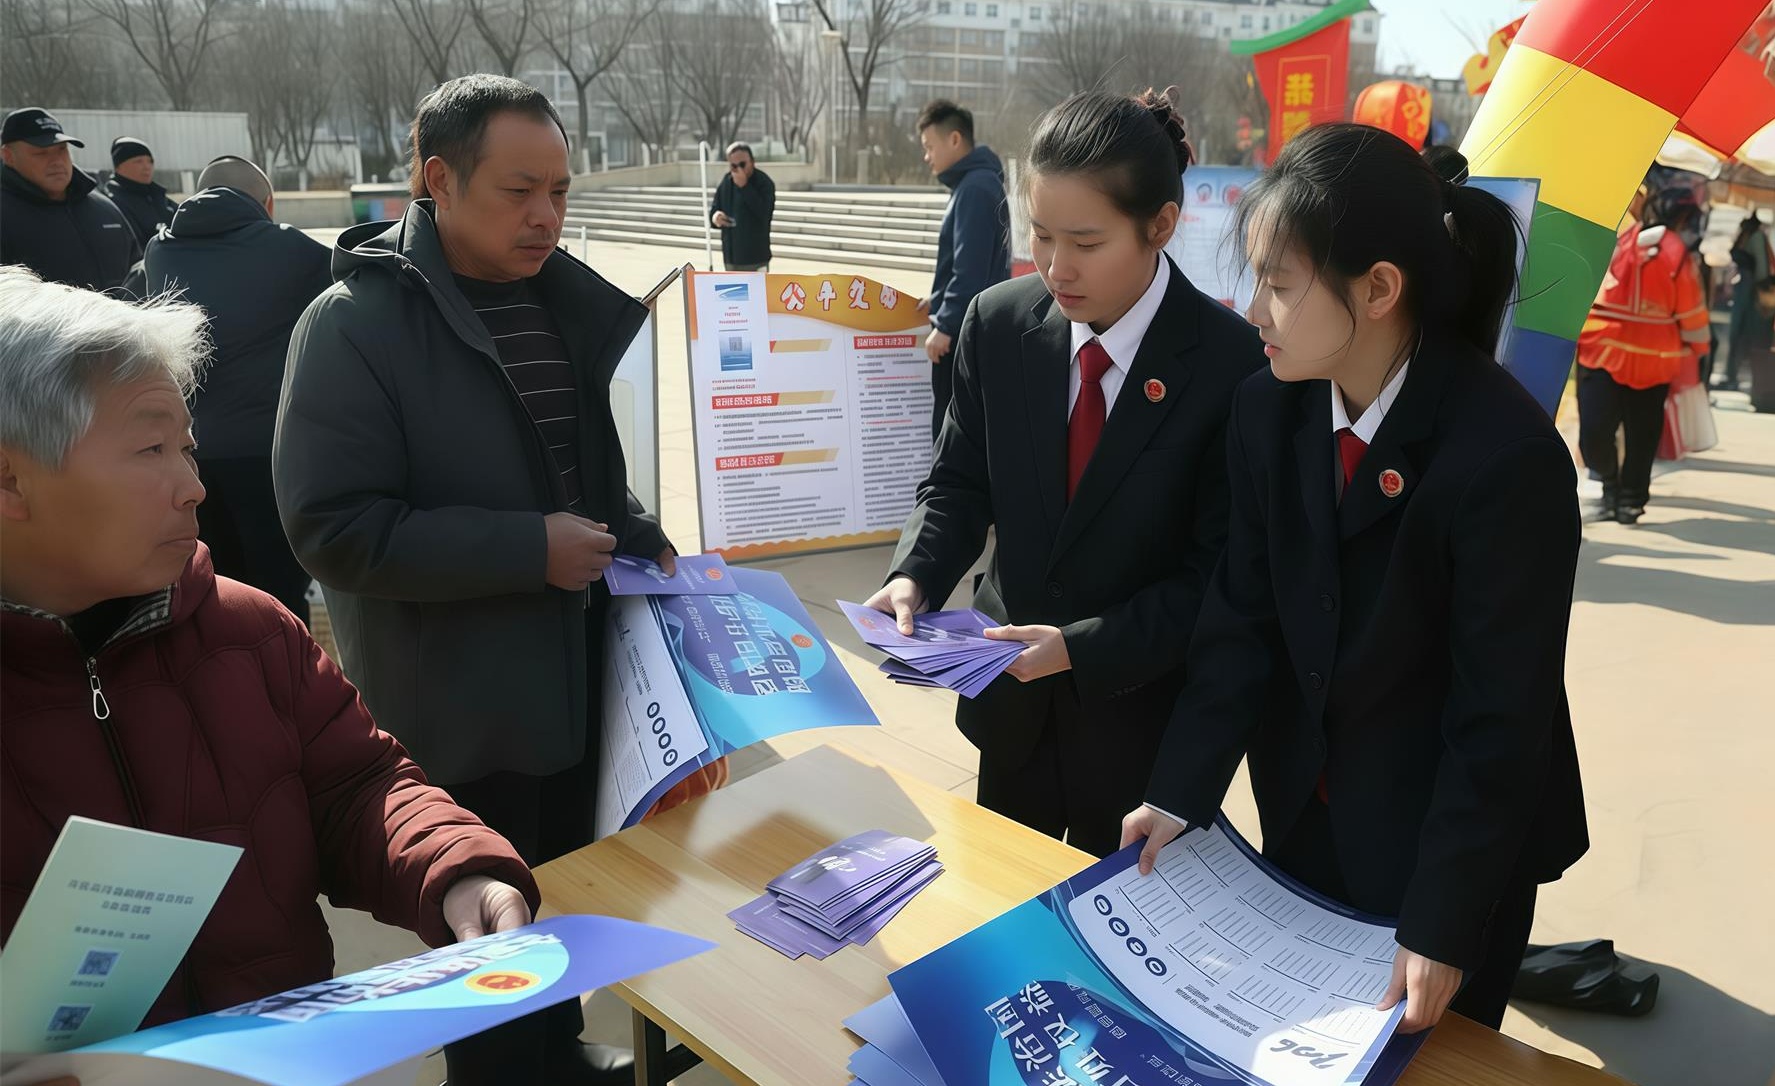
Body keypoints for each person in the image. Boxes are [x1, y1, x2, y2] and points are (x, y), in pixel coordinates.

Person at [1120, 124, 1588, 1037]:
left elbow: (1499, 717)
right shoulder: (1268, 406)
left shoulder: (1506, 459)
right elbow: (1242, 617)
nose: (1251, 310)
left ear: (1378, 289)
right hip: (1307, 811)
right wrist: (1178, 789)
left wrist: (1443, 919)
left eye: (1279, 284)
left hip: (1450, 847)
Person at [0, 265, 538, 1035]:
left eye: (186, 448)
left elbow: (357, 785)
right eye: (151, 449)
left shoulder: (248, 632)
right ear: (10, 479)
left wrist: (455, 869)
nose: (193, 486)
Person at [275, 73, 673, 1084]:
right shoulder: (350, 327)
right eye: (518, 190)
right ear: (435, 179)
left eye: (561, 192)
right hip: (458, 702)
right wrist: (525, 550)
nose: (546, 216)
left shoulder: (554, 304)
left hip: (579, 681)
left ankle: (562, 1053)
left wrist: (633, 530)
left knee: (563, 907)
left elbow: (575, 471)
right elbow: (334, 529)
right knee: (485, 931)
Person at [866, 90, 1266, 858]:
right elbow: (957, 482)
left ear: (1159, 227)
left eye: (1085, 242)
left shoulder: (1229, 367)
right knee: (1000, 913)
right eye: (1041, 236)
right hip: (1008, 711)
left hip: (1135, 725)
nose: (1055, 268)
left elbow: (1216, 577)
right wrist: (915, 573)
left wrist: (1080, 647)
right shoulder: (998, 324)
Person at [144, 155, 332, 624]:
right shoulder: (291, 249)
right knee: (279, 593)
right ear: (266, 203)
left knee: (212, 586)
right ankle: (283, 688)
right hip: (267, 455)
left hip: (188, 455)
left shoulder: (159, 250)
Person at [1575, 188, 1710, 524]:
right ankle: (1617, 491)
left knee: (1623, 434)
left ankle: (1626, 497)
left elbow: (1690, 310)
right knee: (1617, 434)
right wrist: (1699, 350)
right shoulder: (1618, 240)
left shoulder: (1661, 249)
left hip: (1635, 358)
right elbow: (1692, 315)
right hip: (1614, 354)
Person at [915, 99, 1011, 438]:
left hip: (962, 338)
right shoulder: (977, 184)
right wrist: (938, 301)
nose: (927, 156)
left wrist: (946, 323)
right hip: (970, 328)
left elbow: (969, 268)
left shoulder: (973, 189)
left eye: (929, 146)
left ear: (955, 139)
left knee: (952, 433)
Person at [0, 107, 139, 295]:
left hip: (130, 323)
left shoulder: (104, 208)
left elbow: (139, 270)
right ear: (8, 156)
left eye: (61, 150)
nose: (56, 161)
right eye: (41, 153)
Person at [1722, 212, 1773, 391]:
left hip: (1751, 294)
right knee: (1738, 337)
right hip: (1746, 291)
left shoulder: (1756, 237)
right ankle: (1732, 376)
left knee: (1747, 338)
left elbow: (1761, 270)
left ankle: (1747, 380)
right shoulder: (1752, 237)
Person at [709, 141, 775, 272]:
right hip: (731, 257)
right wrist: (715, 217)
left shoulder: (764, 183)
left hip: (755, 258)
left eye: (742, 164)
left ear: (752, 162)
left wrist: (744, 186)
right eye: (734, 166)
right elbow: (715, 208)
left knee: (758, 292)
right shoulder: (727, 181)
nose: (738, 169)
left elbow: (764, 214)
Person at [104, 136, 179, 248]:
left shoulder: (158, 196)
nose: (147, 167)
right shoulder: (112, 203)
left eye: (150, 161)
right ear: (118, 167)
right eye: (138, 161)